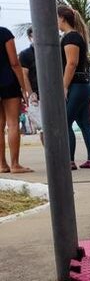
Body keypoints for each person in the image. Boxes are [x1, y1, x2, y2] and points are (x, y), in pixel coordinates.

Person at [58, 6, 90, 170]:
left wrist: (64, 86)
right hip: (85, 86)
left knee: (65, 123)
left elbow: (71, 63)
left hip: (77, 86)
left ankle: (69, 161)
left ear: (62, 18)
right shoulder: (76, 36)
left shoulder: (71, 37)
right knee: (84, 124)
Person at [0, 25, 33, 174]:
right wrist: (23, 87)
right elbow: (14, 62)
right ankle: (15, 164)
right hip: (8, 81)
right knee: (13, 123)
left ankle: (2, 165)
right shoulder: (4, 33)